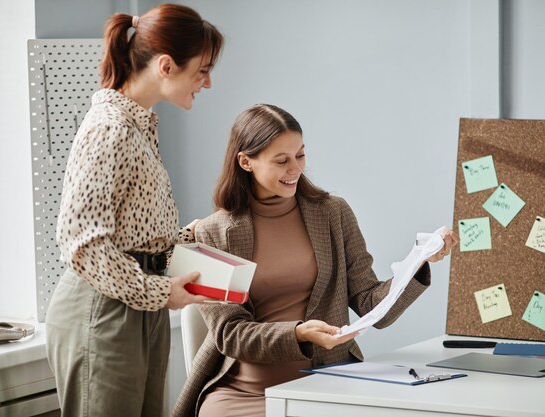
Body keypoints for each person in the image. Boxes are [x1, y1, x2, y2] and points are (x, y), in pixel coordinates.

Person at [172, 104, 458, 417]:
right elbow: (230, 335)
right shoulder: (213, 233)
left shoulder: (333, 213)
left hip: (327, 383)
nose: (295, 168)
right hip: (246, 393)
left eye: (300, 155)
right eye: (281, 160)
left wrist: (417, 264)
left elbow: (370, 303)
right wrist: (297, 334)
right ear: (245, 162)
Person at [45, 5, 223, 417]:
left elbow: (134, 229)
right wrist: (161, 292)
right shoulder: (110, 129)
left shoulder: (138, 125)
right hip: (103, 310)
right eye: (202, 70)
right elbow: (82, 244)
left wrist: (187, 237)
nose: (208, 82)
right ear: (166, 65)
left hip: (140, 306)